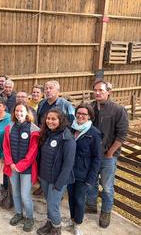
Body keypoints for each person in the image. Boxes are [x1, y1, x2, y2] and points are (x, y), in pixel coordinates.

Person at [86, 79, 128, 228]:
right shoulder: (90, 107)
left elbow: (122, 135)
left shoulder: (118, 110)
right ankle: (91, 204)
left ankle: (106, 211)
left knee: (107, 186)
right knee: (91, 181)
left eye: (101, 90)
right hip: (92, 154)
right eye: (95, 90)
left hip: (107, 156)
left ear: (108, 92)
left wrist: (110, 153)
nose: (97, 93)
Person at [36, 109, 76, 235]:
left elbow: (68, 164)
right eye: (48, 118)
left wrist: (59, 184)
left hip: (58, 179)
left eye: (54, 119)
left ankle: (56, 228)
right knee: (49, 203)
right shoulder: (47, 133)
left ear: (60, 120)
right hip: (45, 176)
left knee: (53, 206)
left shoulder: (67, 138)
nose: (50, 121)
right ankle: (50, 222)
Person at [3, 101, 40, 232]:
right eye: (17, 111)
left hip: (26, 169)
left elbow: (33, 151)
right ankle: (19, 213)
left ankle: (29, 217)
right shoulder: (9, 127)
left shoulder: (34, 129)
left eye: (21, 111)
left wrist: (20, 166)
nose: (19, 113)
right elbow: (6, 147)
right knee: (16, 192)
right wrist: (11, 163)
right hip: (12, 167)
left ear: (27, 113)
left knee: (25, 195)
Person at [68, 103, 101, 235]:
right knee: (70, 197)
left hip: (83, 174)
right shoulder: (71, 129)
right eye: (79, 113)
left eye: (84, 114)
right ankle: (72, 219)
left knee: (79, 199)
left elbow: (97, 158)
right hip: (69, 172)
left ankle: (78, 224)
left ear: (90, 116)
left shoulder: (94, 133)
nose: (80, 116)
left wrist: (91, 179)